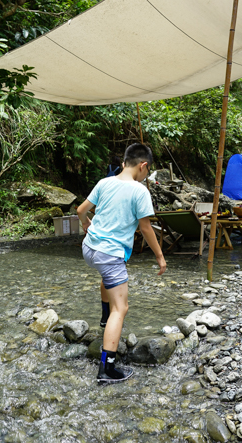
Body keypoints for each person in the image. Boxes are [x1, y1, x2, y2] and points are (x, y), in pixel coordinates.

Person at [77, 143, 166, 384]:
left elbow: (81, 210)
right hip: (110, 254)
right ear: (143, 165)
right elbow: (146, 227)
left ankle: (105, 321)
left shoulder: (104, 182)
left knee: (107, 281)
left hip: (90, 248)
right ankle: (107, 368)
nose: (146, 175)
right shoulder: (139, 191)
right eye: (147, 171)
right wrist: (159, 256)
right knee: (122, 308)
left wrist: (87, 225)